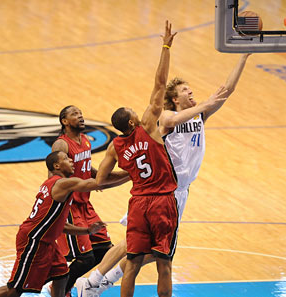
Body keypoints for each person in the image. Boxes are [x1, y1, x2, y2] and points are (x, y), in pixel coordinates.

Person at [75, 44, 252, 297]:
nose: (192, 93)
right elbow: (169, 119)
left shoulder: (198, 117)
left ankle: (101, 280)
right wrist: (203, 105)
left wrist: (243, 56)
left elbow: (227, 90)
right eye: (185, 91)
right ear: (175, 99)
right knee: (148, 251)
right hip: (161, 192)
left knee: (144, 250)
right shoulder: (166, 118)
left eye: (192, 91)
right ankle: (94, 280)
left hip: (177, 192)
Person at [95, 20, 178, 297]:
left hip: (138, 203)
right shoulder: (148, 127)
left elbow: (100, 180)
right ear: (133, 119)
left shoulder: (115, 147)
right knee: (164, 264)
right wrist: (166, 46)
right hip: (163, 201)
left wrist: (128, 175)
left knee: (132, 264)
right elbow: (160, 83)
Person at [0, 151, 108, 297]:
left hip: (47, 241)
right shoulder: (62, 183)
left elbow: (61, 225)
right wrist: (132, 175)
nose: (71, 160)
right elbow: (97, 183)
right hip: (34, 240)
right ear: (56, 166)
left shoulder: (55, 184)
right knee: (14, 289)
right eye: (66, 159)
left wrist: (87, 231)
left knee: (62, 276)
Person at [51, 105, 129, 295]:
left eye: (81, 113)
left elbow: (92, 173)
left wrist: (127, 174)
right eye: (75, 114)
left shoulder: (85, 140)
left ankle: (67, 285)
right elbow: (54, 180)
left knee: (104, 250)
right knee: (85, 258)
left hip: (85, 205)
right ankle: (60, 289)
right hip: (69, 206)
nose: (81, 116)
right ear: (64, 121)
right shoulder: (61, 145)